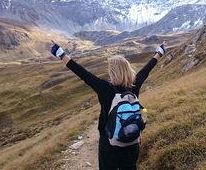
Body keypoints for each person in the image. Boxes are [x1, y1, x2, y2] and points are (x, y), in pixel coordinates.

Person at [49, 40, 166, 170]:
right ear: (127, 69)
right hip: (132, 141)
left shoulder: (104, 88)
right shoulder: (134, 84)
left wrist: (60, 53)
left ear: (112, 72)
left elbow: (82, 73)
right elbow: (147, 69)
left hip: (109, 143)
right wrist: (159, 52)